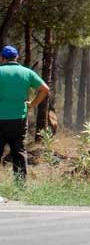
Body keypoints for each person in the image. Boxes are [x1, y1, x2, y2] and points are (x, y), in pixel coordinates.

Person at [0, 45, 50, 181]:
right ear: (16, 57)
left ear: (2, 58)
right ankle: (20, 186)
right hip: (19, 119)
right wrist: (33, 104)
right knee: (19, 152)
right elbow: (45, 89)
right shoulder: (26, 72)